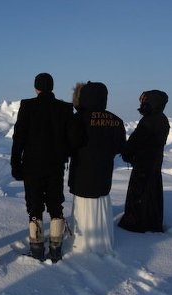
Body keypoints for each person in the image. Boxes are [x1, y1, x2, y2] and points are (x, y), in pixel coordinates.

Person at [11, 73, 73, 262]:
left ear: (36, 88)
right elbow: (71, 138)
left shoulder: (27, 106)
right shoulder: (64, 108)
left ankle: (37, 249)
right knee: (56, 204)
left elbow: (19, 137)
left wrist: (15, 162)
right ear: (52, 87)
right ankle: (56, 250)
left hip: (32, 164)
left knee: (34, 205)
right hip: (55, 164)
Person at [67, 82, 126, 255]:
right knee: (101, 204)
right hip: (104, 172)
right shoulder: (116, 120)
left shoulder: (78, 119)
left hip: (82, 172)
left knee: (83, 208)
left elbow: (71, 143)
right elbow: (120, 147)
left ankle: (81, 243)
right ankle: (102, 241)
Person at [118, 90, 170, 233]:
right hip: (154, 164)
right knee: (152, 196)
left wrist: (126, 151)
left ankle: (136, 225)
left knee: (140, 196)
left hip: (143, 165)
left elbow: (136, 141)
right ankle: (152, 223)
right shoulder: (162, 119)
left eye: (145, 101)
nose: (142, 103)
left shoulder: (148, 120)